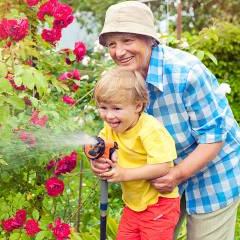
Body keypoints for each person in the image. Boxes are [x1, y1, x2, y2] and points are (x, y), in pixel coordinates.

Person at [91, 1, 240, 240]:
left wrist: (177, 173)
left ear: (150, 39)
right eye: (112, 44)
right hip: (158, 181)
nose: (119, 52)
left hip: (213, 171)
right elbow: (118, 132)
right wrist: (103, 158)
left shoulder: (187, 73)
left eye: (127, 40)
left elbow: (214, 137)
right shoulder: (121, 80)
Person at [93, 68, 180, 240]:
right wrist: (96, 161)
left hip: (159, 205)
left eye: (117, 108)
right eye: (103, 107)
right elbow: (99, 147)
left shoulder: (150, 129)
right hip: (133, 206)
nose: (109, 116)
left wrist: (124, 174)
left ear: (138, 106)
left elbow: (163, 167)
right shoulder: (110, 129)